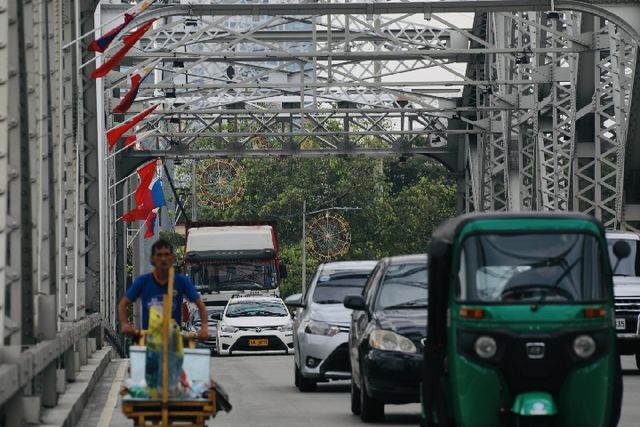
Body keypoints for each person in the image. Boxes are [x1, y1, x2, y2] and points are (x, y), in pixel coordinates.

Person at [118, 239, 209, 340]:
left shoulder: (181, 281)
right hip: (149, 340)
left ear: (173, 258)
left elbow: (200, 304)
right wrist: (125, 324)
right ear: (152, 259)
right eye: (159, 255)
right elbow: (123, 304)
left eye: (167, 254)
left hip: (174, 340)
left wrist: (204, 328)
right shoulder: (143, 281)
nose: (163, 259)